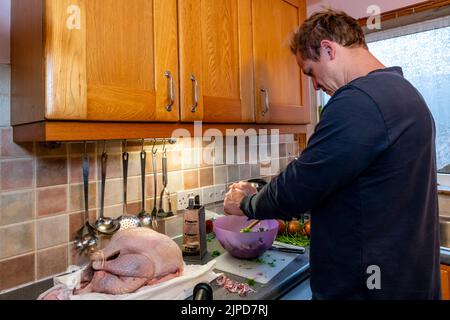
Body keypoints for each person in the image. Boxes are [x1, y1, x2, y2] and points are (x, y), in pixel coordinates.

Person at [224, 9, 441, 300]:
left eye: (310, 72)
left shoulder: (358, 101)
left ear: (328, 49)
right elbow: (332, 175)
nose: (313, 85)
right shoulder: (406, 94)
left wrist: (247, 203)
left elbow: (301, 185)